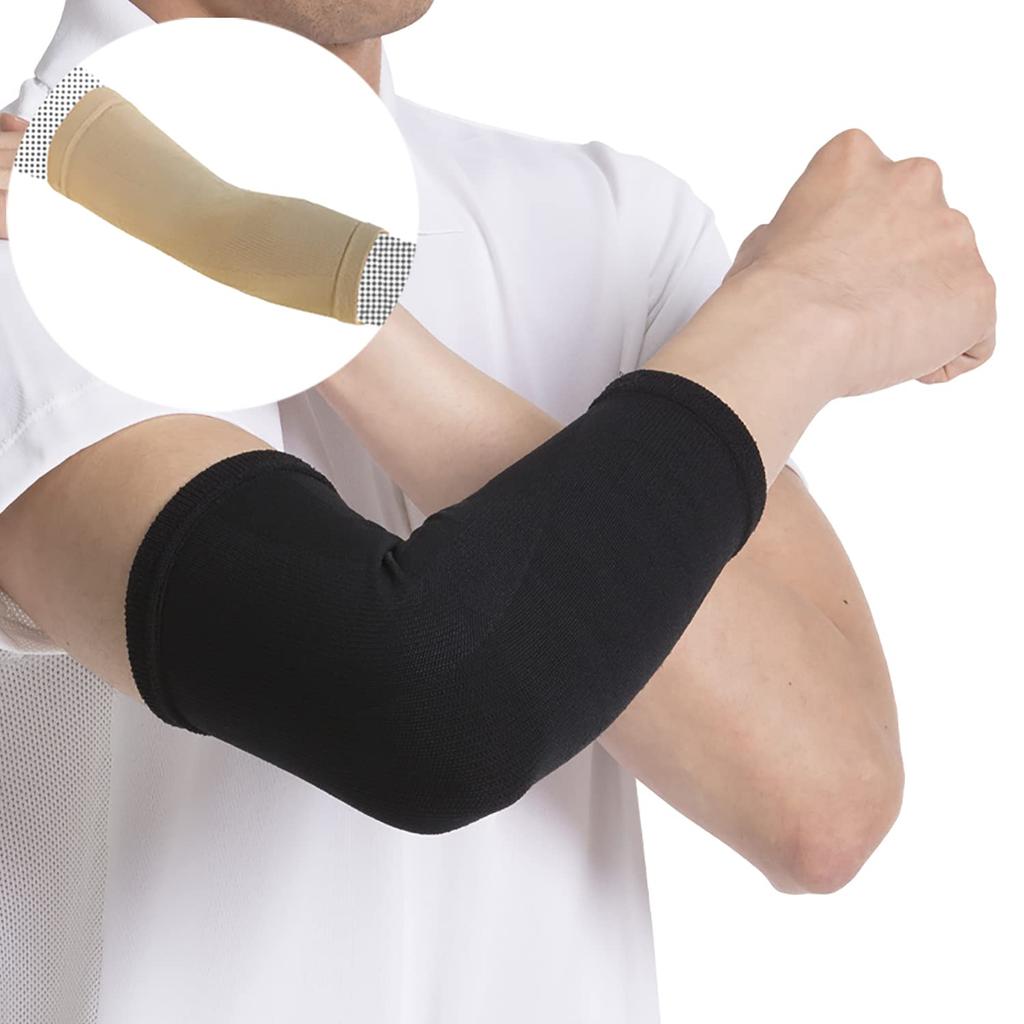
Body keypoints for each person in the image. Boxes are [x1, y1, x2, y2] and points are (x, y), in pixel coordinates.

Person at [0, 1, 994, 1021]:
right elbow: (426, 708)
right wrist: (802, 314)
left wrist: (352, 319)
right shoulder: (25, 232)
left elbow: (820, 801)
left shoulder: (611, 224)